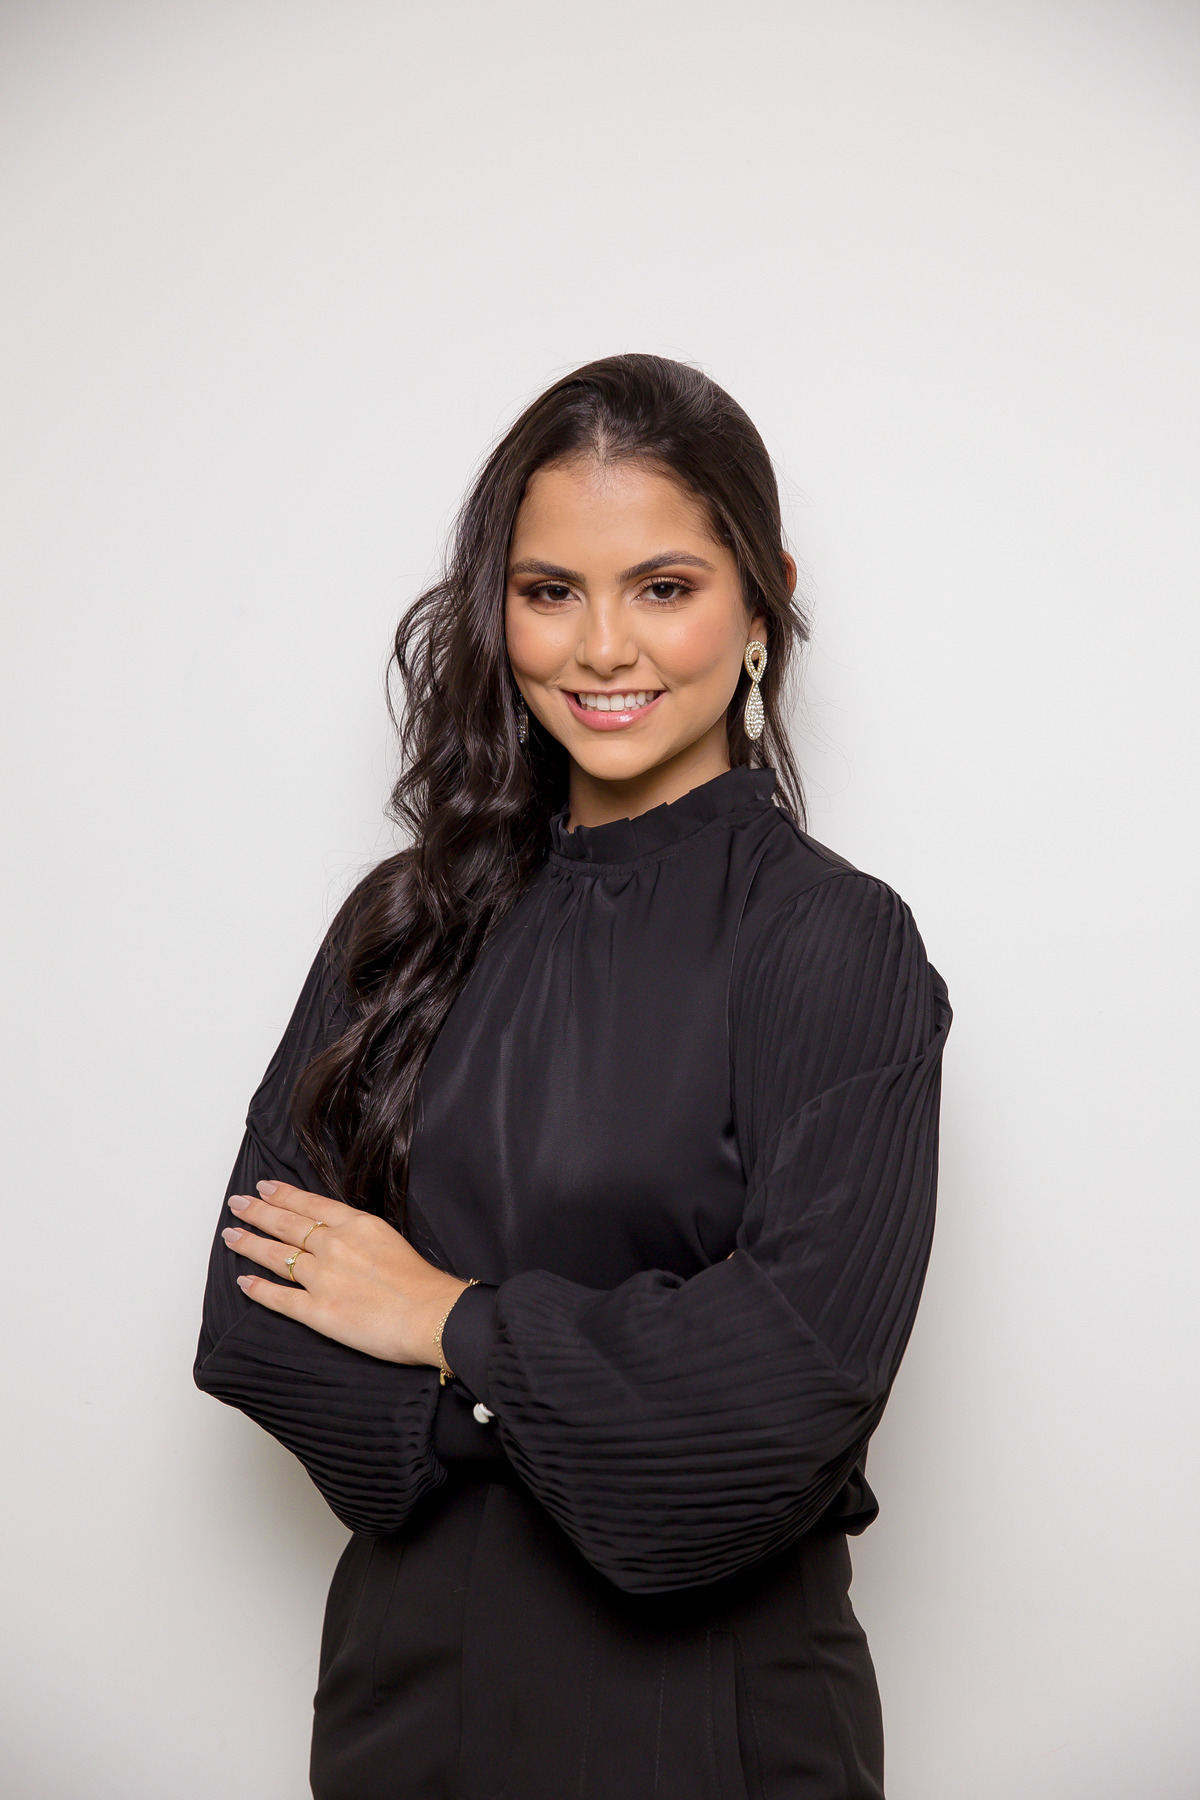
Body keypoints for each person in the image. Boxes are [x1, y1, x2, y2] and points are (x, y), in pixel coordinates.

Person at [194, 353, 951, 1800]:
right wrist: (574, 1383)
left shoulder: (832, 941)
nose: (604, 648)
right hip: (403, 1712)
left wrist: (443, 1320)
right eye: (551, 591)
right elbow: (256, 1322)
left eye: (663, 586)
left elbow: (784, 1398)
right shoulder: (402, 928)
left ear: (764, 599)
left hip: (712, 1727)